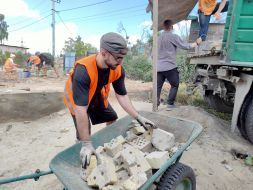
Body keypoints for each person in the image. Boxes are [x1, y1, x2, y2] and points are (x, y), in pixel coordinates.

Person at [63, 32, 156, 171]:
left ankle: (109, 146)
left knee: (112, 117)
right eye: (118, 57)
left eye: (123, 58)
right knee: (83, 133)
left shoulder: (117, 68)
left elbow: (122, 96)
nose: (121, 62)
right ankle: (84, 155)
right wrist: (86, 143)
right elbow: (81, 109)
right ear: (104, 53)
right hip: (77, 100)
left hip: (96, 94)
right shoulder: (83, 70)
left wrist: (138, 116)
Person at [157, 20, 197, 110]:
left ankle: (155, 103)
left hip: (158, 67)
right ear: (172, 27)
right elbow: (185, 46)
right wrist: (196, 43)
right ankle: (170, 104)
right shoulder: (173, 36)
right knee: (174, 85)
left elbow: (152, 55)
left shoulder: (158, 39)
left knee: (158, 86)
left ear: (163, 27)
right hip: (170, 67)